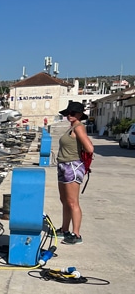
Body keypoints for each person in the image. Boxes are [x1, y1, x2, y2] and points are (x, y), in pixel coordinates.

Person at [55, 101, 94, 245]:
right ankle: (65, 229)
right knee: (64, 200)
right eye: (67, 114)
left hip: (72, 166)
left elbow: (89, 148)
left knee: (72, 202)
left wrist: (80, 156)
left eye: (72, 113)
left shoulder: (79, 128)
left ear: (79, 115)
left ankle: (76, 234)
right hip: (64, 165)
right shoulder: (71, 127)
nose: (69, 116)